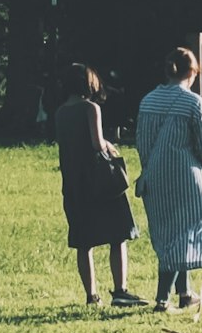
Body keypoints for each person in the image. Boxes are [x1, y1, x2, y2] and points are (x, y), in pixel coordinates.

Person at [133, 45, 202, 311]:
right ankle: (163, 299)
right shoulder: (193, 102)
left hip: (154, 176)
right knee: (183, 235)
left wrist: (149, 169)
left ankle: (185, 292)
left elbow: (141, 140)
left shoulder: (148, 100)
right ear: (193, 72)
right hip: (187, 178)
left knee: (170, 234)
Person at [55, 65, 145, 307]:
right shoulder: (91, 108)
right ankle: (120, 290)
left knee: (83, 242)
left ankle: (91, 295)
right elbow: (96, 144)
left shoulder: (61, 112)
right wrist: (108, 144)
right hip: (98, 182)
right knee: (118, 235)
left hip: (74, 184)